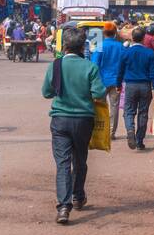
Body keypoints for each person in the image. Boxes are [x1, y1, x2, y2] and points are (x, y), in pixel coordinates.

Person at [42, 28, 106, 224]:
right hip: (83, 121)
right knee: (80, 160)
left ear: (64, 46)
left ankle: (63, 207)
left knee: (62, 164)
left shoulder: (56, 65)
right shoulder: (90, 67)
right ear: (82, 46)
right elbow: (99, 93)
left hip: (60, 120)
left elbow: (46, 93)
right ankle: (78, 197)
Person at [117, 26, 154, 151]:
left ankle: (130, 130)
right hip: (145, 86)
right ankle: (139, 141)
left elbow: (120, 71)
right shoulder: (149, 53)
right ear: (143, 38)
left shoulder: (126, 53)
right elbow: (153, 73)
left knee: (129, 111)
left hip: (130, 86)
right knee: (143, 113)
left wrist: (118, 85)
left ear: (132, 38)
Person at [93, 22, 125, 140]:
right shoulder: (120, 46)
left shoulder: (100, 46)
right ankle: (111, 132)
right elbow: (124, 64)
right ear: (115, 33)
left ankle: (101, 132)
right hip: (116, 81)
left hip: (101, 81)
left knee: (100, 106)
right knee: (114, 106)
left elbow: (95, 64)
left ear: (103, 33)